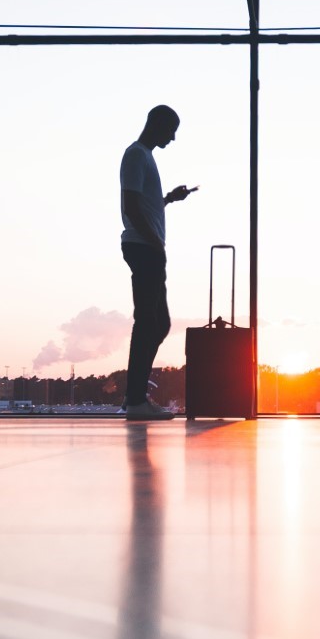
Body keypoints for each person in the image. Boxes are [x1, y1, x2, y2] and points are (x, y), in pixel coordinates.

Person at [119, 104, 195, 419]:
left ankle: (135, 397)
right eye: (171, 130)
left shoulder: (144, 157)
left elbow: (143, 204)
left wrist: (167, 200)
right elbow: (131, 206)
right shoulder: (137, 155)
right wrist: (153, 242)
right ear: (157, 124)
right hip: (144, 247)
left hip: (148, 246)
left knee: (157, 323)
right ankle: (135, 400)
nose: (173, 137)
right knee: (148, 322)